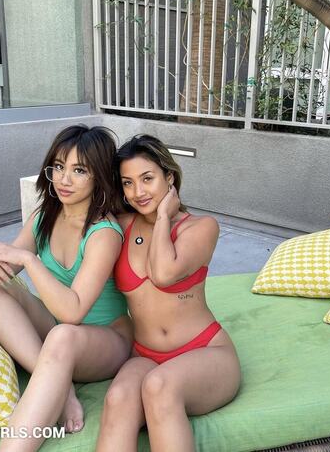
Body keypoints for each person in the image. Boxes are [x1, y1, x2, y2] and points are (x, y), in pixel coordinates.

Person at [0, 125, 133, 452]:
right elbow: (6, 268)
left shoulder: (103, 233)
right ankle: (63, 389)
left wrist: (29, 260)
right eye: (58, 167)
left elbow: (73, 312)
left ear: (99, 176)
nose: (64, 179)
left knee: (63, 335)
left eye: (79, 170)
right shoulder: (44, 215)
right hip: (57, 331)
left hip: (105, 343)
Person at [96, 135, 241, 452]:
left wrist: (162, 217)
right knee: (118, 398)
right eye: (128, 183)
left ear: (170, 177)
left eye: (147, 178)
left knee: (159, 387)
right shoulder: (122, 226)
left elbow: (163, 273)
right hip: (145, 355)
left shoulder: (201, 227)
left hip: (205, 351)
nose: (138, 192)